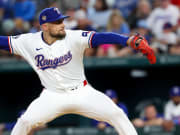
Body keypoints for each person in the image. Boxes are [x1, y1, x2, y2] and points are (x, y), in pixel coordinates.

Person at [0, 7, 156, 135]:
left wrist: (127, 40)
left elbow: (100, 37)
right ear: (45, 26)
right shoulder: (28, 41)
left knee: (118, 115)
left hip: (82, 92)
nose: (62, 24)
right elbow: (3, 42)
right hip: (52, 95)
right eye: (57, 22)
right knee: (25, 122)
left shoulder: (72, 37)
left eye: (62, 20)